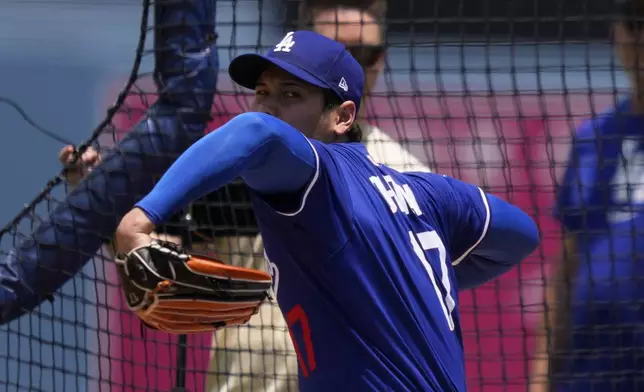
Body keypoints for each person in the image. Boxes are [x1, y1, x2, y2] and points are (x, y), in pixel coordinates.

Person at [114, 30, 540, 390]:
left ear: (342, 116)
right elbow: (521, 235)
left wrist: (138, 220)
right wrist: (408, 283)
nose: (268, 105)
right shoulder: (427, 193)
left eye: (291, 94)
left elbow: (256, 131)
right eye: (262, 92)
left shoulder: (320, 178)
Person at [0, 0, 218, 390]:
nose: (268, 101)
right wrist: (104, 204)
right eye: (271, 90)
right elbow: (163, 276)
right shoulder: (242, 178)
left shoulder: (362, 167)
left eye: (365, 54)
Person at [530, 1, 644, 391]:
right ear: (620, 35)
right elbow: (566, 268)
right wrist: (542, 379)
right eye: (636, 25)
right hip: (588, 373)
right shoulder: (594, 137)